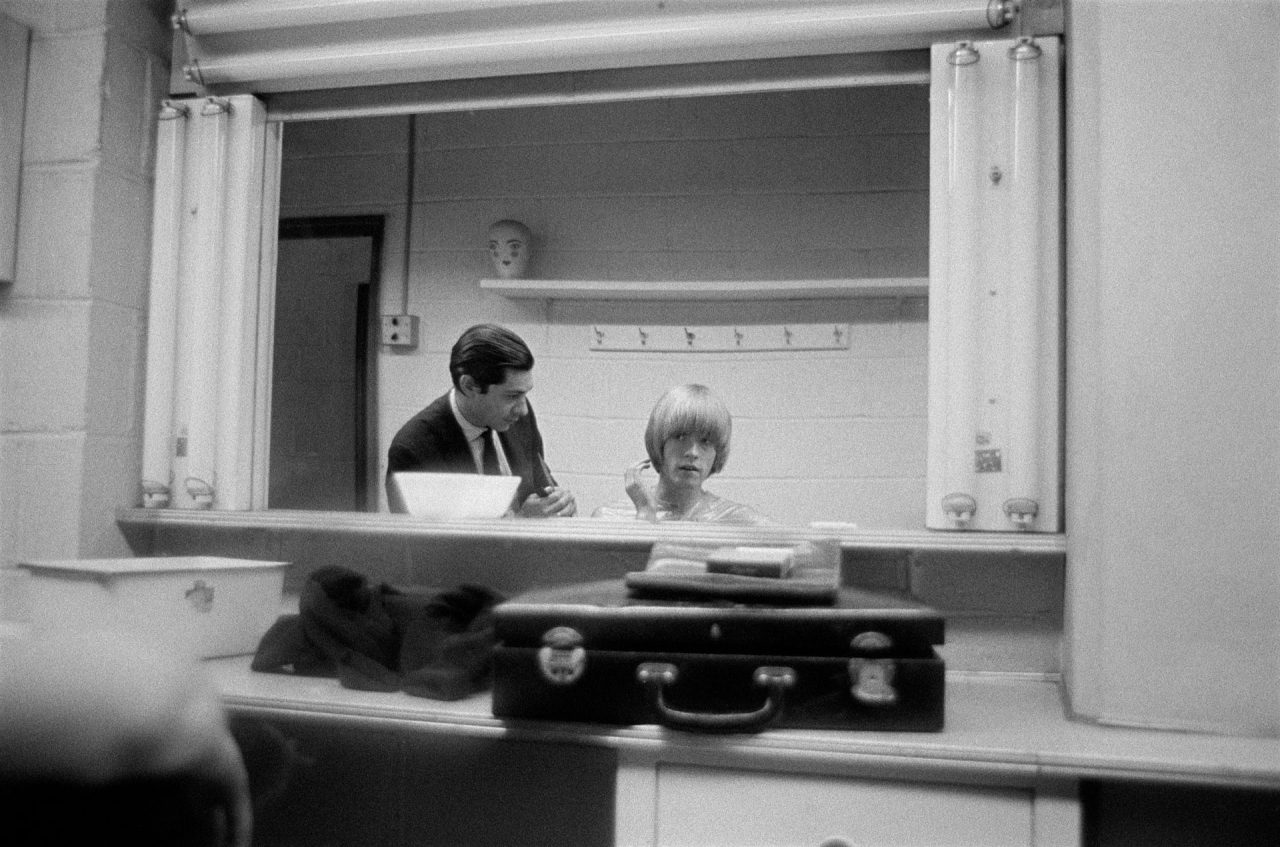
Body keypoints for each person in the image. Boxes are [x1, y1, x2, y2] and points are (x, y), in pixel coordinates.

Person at [386, 323, 576, 517]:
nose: (524, 409)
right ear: (469, 386)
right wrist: (521, 525)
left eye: (524, 394)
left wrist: (558, 504)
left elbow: (541, 485)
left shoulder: (517, 417)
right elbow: (419, 544)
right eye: (512, 396)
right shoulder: (414, 449)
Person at [593, 383, 772, 525]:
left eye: (706, 441)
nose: (693, 452)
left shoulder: (735, 520)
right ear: (659, 443)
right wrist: (646, 514)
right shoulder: (611, 517)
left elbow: (795, 550)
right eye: (680, 437)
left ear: (717, 453)